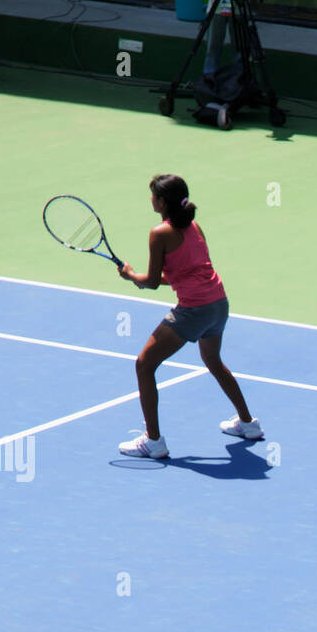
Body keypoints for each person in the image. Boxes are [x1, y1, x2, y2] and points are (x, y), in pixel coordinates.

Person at [117, 173, 262, 459]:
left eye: (153, 195)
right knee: (213, 361)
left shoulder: (159, 233)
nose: (150, 199)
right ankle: (248, 424)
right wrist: (143, 279)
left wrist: (131, 275)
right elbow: (184, 274)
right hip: (218, 304)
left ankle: (154, 441)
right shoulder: (195, 227)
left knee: (144, 365)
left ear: (162, 202)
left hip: (194, 310)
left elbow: (154, 280)